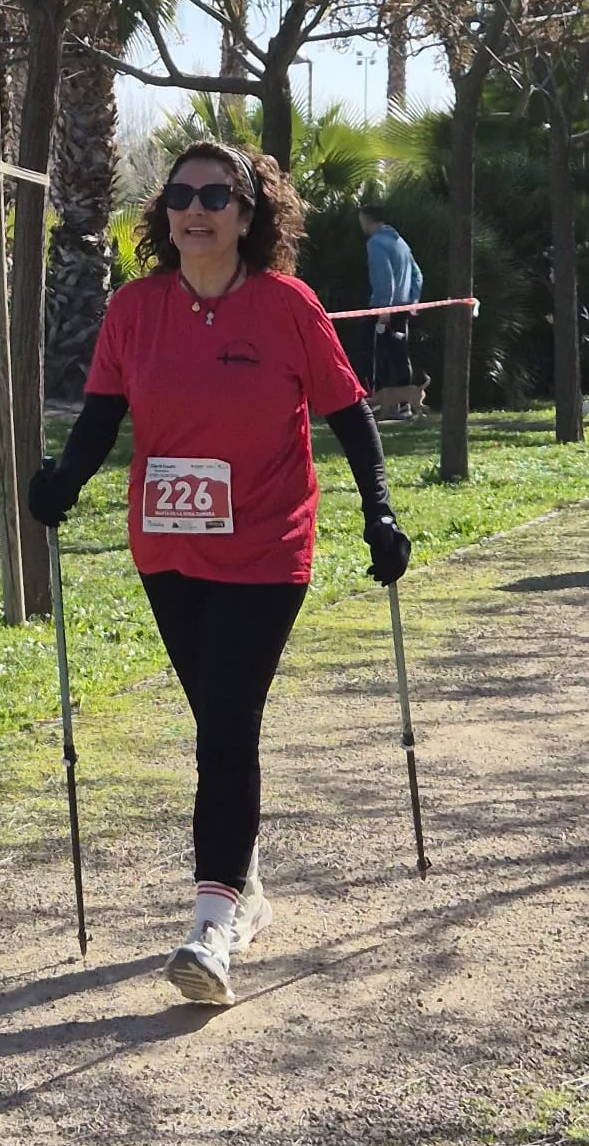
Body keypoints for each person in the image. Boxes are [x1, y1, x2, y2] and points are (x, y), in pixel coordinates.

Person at [28, 142, 412, 1009]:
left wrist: (378, 510)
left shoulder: (287, 308)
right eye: (180, 195)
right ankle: (242, 878)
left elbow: (350, 417)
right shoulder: (135, 310)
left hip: (268, 545)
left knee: (229, 717)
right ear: (163, 214)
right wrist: (63, 482)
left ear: (249, 214)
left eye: (216, 195)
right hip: (168, 548)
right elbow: (100, 419)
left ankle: (211, 925)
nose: (195, 209)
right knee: (215, 716)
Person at [359, 205, 423, 418]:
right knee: (399, 353)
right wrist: (413, 300)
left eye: (363, 222)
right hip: (403, 308)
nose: (362, 226)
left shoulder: (376, 243)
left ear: (369, 221)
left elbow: (384, 278)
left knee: (376, 354)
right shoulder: (401, 243)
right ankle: (404, 405)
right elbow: (417, 274)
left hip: (384, 308)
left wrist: (383, 308)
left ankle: (378, 404)